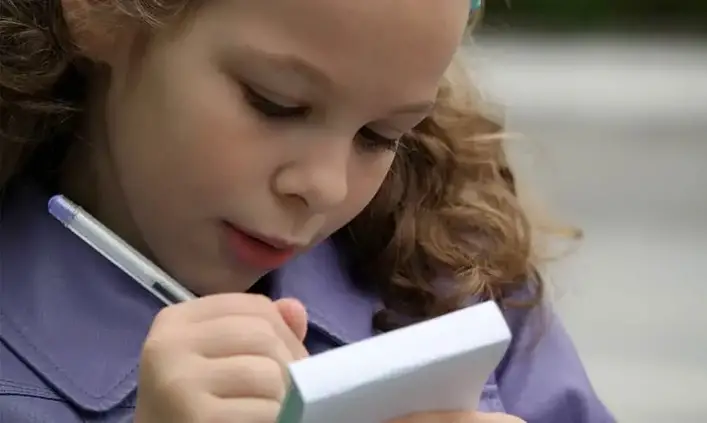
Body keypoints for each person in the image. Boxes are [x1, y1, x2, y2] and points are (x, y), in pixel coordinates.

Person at [0, 0, 615, 422]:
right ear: (103, 12)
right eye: (277, 104)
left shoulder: (452, 275)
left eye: (380, 136)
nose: (324, 186)